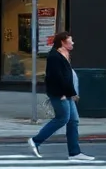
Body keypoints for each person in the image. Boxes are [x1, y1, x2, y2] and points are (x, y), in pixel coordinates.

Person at [28, 32, 93, 161]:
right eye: (71, 40)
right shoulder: (54, 57)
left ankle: (74, 153)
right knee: (62, 118)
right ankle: (35, 140)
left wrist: (72, 93)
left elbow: (68, 77)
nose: (73, 43)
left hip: (67, 93)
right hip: (59, 94)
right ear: (63, 42)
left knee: (73, 121)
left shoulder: (66, 55)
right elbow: (55, 77)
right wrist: (63, 93)